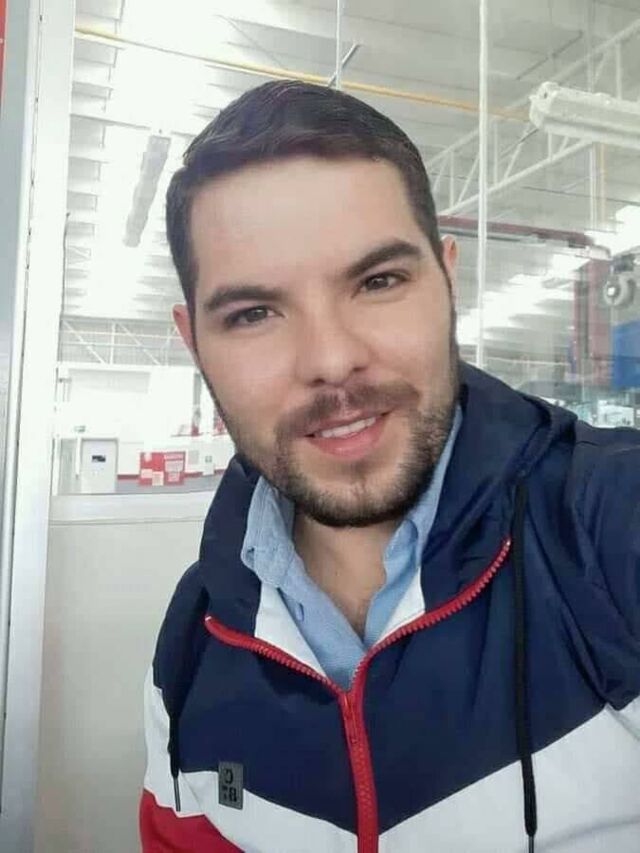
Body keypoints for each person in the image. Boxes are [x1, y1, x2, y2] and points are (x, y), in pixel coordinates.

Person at [139, 80, 640, 853]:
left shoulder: (612, 532)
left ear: (446, 279)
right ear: (193, 341)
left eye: (378, 281)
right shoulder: (196, 636)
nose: (332, 358)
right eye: (253, 313)